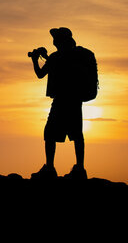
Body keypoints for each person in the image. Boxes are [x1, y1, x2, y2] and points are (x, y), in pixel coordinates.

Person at [29, 27, 87, 180]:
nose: (53, 41)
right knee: (77, 134)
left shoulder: (57, 57)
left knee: (49, 133)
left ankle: (49, 168)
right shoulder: (75, 56)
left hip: (61, 101)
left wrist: (35, 59)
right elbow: (62, 67)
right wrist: (47, 57)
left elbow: (40, 74)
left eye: (55, 38)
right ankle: (80, 168)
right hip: (75, 101)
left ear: (60, 40)